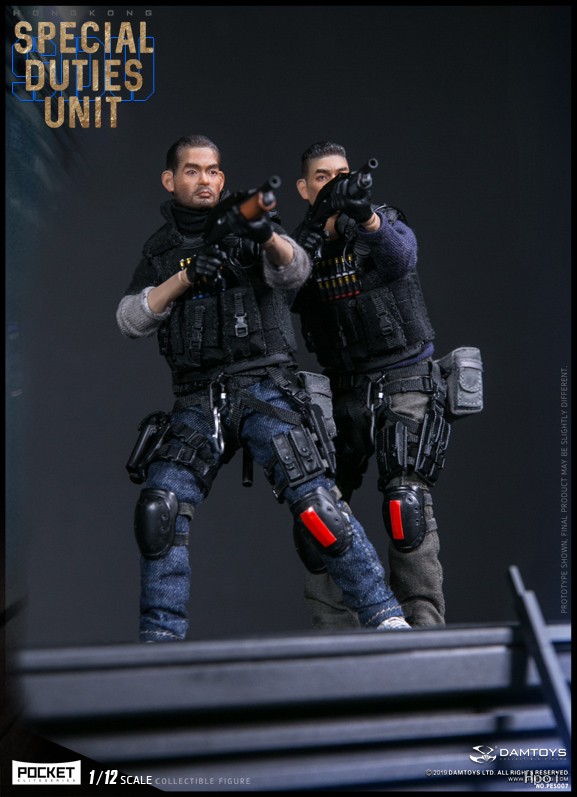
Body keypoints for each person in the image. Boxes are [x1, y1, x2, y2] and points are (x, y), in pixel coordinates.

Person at [116, 134, 411, 642]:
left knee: (318, 505)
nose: (204, 179)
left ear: (222, 180)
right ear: (170, 180)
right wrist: (185, 278)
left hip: (264, 387)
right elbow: (129, 320)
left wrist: (264, 234)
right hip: (198, 399)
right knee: (159, 508)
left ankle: (387, 617)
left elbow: (294, 271)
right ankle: (159, 642)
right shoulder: (161, 250)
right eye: (192, 170)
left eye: (212, 171)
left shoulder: (252, 226)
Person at [290, 140, 483, 629]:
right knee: (318, 514)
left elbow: (401, 259)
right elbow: (282, 291)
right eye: (322, 177)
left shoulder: (381, 222)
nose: (333, 184)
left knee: (406, 505)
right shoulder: (298, 247)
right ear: (304, 188)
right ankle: (334, 634)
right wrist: (311, 236)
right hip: (341, 389)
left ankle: (422, 629)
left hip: (404, 377)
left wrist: (365, 217)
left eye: (341, 174)